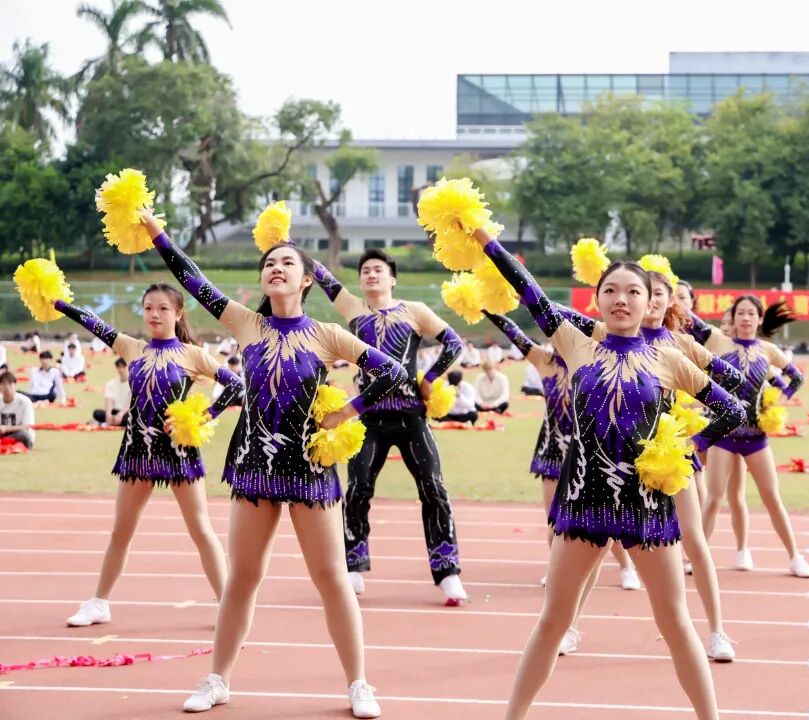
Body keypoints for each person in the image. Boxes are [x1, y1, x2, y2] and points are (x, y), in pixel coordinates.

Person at [473, 226, 746, 720]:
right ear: (597, 300)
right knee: (552, 622)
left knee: (676, 623)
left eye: (634, 292)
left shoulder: (670, 357)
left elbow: (733, 409)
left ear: (650, 302)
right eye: (612, 291)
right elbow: (530, 293)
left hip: (648, 508)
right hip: (584, 502)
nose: (622, 299)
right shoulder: (575, 343)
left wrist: (690, 443)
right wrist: (486, 242)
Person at [142, 212, 405, 717]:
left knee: (331, 577)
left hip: (309, 468)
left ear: (307, 279)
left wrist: (347, 411)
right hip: (254, 465)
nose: (276, 268)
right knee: (242, 577)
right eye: (269, 263)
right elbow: (192, 279)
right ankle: (218, 679)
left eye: (287, 262)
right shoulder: (247, 323)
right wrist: (157, 233)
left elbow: (392, 372)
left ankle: (359, 684)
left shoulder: (328, 334)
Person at [46, 284, 243, 630]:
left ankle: (228, 606)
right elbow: (93, 323)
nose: (155, 314)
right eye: (149, 307)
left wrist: (203, 417)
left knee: (201, 530)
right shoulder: (133, 348)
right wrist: (59, 303)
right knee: (120, 531)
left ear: (178, 313)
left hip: (179, 452)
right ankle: (99, 603)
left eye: (163, 308)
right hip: (137, 451)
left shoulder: (193, 355)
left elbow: (237, 385)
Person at [311, 249, 467, 602]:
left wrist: (430, 378)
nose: (371, 274)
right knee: (357, 489)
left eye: (378, 270)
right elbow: (323, 277)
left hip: (411, 417)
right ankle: (353, 567)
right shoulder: (352, 308)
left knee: (433, 487)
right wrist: (287, 244)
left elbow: (453, 343)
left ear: (392, 278)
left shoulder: (416, 311)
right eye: (365, 270)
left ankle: (448, 571)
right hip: (368, 419)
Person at [484, 310, 643, 595]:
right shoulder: (543, 360)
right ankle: (557, 570)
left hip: (589, 452)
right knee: (554, 521)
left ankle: (626, 567)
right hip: (552, 450)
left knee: (608, 518)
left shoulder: (590, 360)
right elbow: (514, 334)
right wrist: (489, 308)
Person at [697, 296, 809, 579]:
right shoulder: (720, 343)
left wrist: (779, 399)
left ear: (760, 318)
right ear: (733, 318)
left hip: (755, 436)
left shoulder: (768, 350)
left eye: (751, 313)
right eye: (741, 313)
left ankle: (795, 557)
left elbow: (796, 377)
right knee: (714, 499)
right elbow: (691, 322)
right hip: (724, 434)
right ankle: (694, 559)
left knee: (772, 497)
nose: (746, 318)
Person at [0, 371, 35, 449]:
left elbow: (28, 426)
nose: (7, 387)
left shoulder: (25, 402)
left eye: (10, 384)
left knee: (24, 436)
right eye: (4, 384)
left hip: (18, 433)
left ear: (15, 385)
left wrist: (7, 428)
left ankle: (4, 442)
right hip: (2, 433)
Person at [92, 358, 131, 427]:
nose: (121, 370)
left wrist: (121, 414)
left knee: (132, 418)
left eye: (123, 367)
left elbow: (131, 402)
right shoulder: (111, 383)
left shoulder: (133, 384)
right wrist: (108, 414)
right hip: (114, 411)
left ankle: (105, 423)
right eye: (119, 367)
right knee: (96, 413)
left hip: (126, 412)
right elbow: (108, 399)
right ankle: (112, 421)